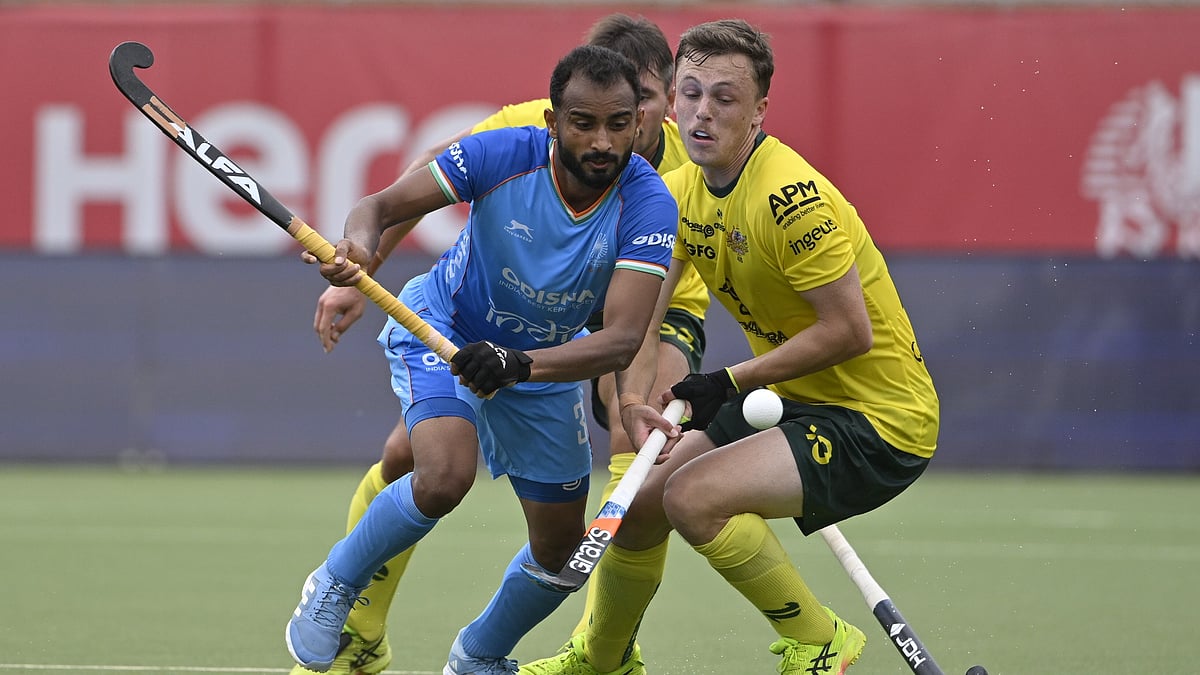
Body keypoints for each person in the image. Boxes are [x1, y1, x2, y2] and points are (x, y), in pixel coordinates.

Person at [519, 19, 939, 675]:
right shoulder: (679, 194)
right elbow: (639, 325)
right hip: (793, 396)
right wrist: (630, 398)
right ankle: (602, 660)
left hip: (879, 419)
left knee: (693, 496)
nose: (701, 113)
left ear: (759, 110)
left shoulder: (789, 199)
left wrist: (729, 378)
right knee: (643, 502)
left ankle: (820, 640)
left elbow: (847, 331)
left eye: (724, 97)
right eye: (689, 93)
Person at [297, 15, 709, 675]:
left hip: (540, 365)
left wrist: (531, 368)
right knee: (441, 476)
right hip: (448, 327)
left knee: (561, 554)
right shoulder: (502, 153)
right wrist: (359, 250)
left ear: (639, 123)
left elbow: (624, 336)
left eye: (617, 124)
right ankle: (335, 583)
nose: (601, 141)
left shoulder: (650, 203)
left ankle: (478, 656)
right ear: (554, 121)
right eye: (583, 123)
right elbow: (380, 205)